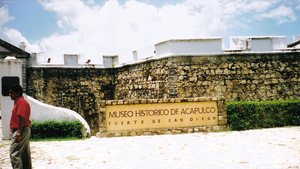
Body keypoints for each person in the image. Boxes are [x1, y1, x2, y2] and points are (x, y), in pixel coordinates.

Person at [9, 85, 32, 169]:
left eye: (11, 92)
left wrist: (18, 132)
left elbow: (22, 118)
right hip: (24, 129)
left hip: (22, 130)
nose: (9, 94)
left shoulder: (21, 102)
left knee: (14, 153)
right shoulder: (19, 101)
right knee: (24, 154)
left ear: (18, 93)